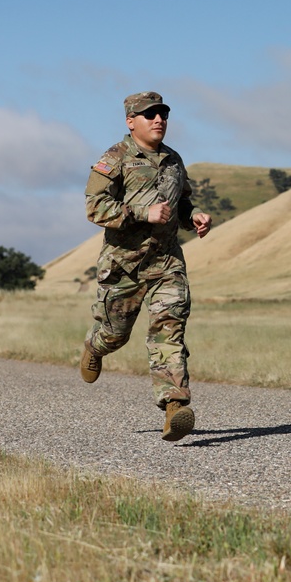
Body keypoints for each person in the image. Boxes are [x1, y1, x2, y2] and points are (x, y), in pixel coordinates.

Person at [79, 91, 212, 442]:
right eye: (150, 114)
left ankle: (174, 406)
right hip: (124, 266)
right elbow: (94, 208)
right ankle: (96, 346)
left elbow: (181, 202)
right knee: (116, 333)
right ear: (130, 121)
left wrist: (193, 216)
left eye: (163, 114)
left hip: (166, 262)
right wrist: (141, 212)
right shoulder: (115, 158)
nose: (159, 120)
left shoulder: (174, 160)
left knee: (169, 330)